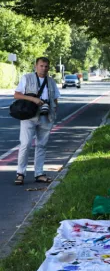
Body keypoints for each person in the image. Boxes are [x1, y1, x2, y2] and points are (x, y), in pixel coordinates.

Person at [13, 57, 59, 186]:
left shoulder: (51, 82)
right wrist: (33, 100)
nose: (43, 68)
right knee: (25, 144)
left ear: (48, 67)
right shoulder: (27, 78)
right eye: (41, 66)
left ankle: (39, 173)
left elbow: (55, 99)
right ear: (36, 66)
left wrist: (54, 111)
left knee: (42, 145)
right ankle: (20, 173)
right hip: (29, 115)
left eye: (46, 66)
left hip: (46, 116)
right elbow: (16, 95)